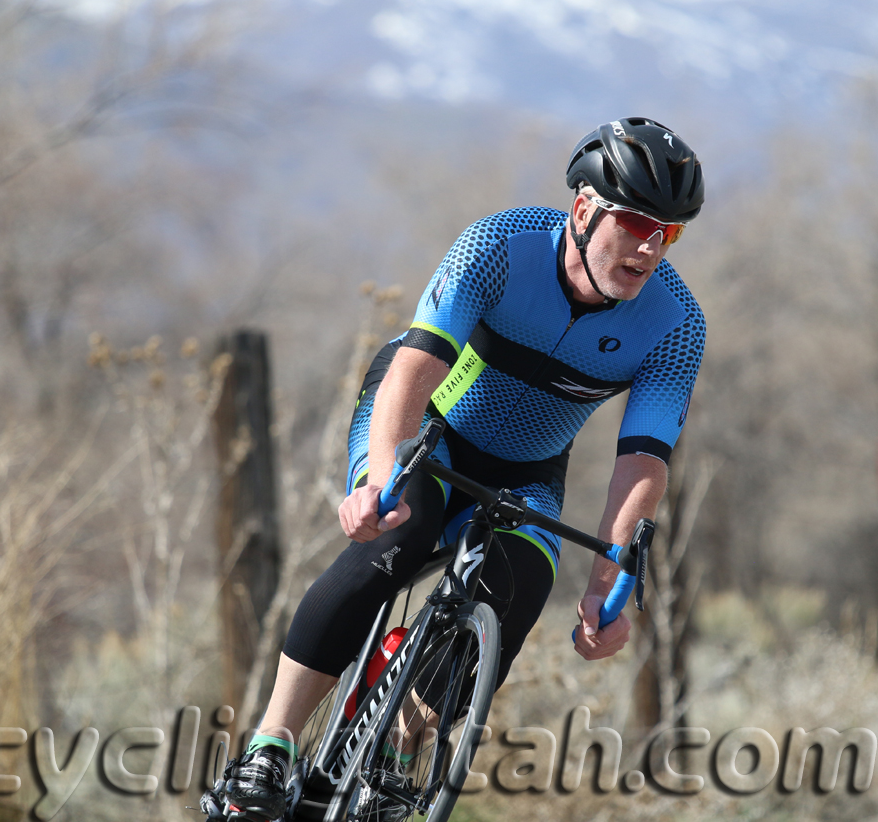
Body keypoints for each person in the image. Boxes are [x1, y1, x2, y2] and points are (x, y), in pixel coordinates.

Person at [202, 117, 706, 821]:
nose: (651, 247)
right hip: (423, 426)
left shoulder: (677, 324)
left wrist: (605, 587)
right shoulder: (500, 245)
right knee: (397, 535)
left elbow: (643, 462)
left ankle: (399, 745)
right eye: (635, 222)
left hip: (527, 468)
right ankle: (271, 746)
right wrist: (381, 480)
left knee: (521, 582)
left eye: (670, 232)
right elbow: (412, 370)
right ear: (585, 210)